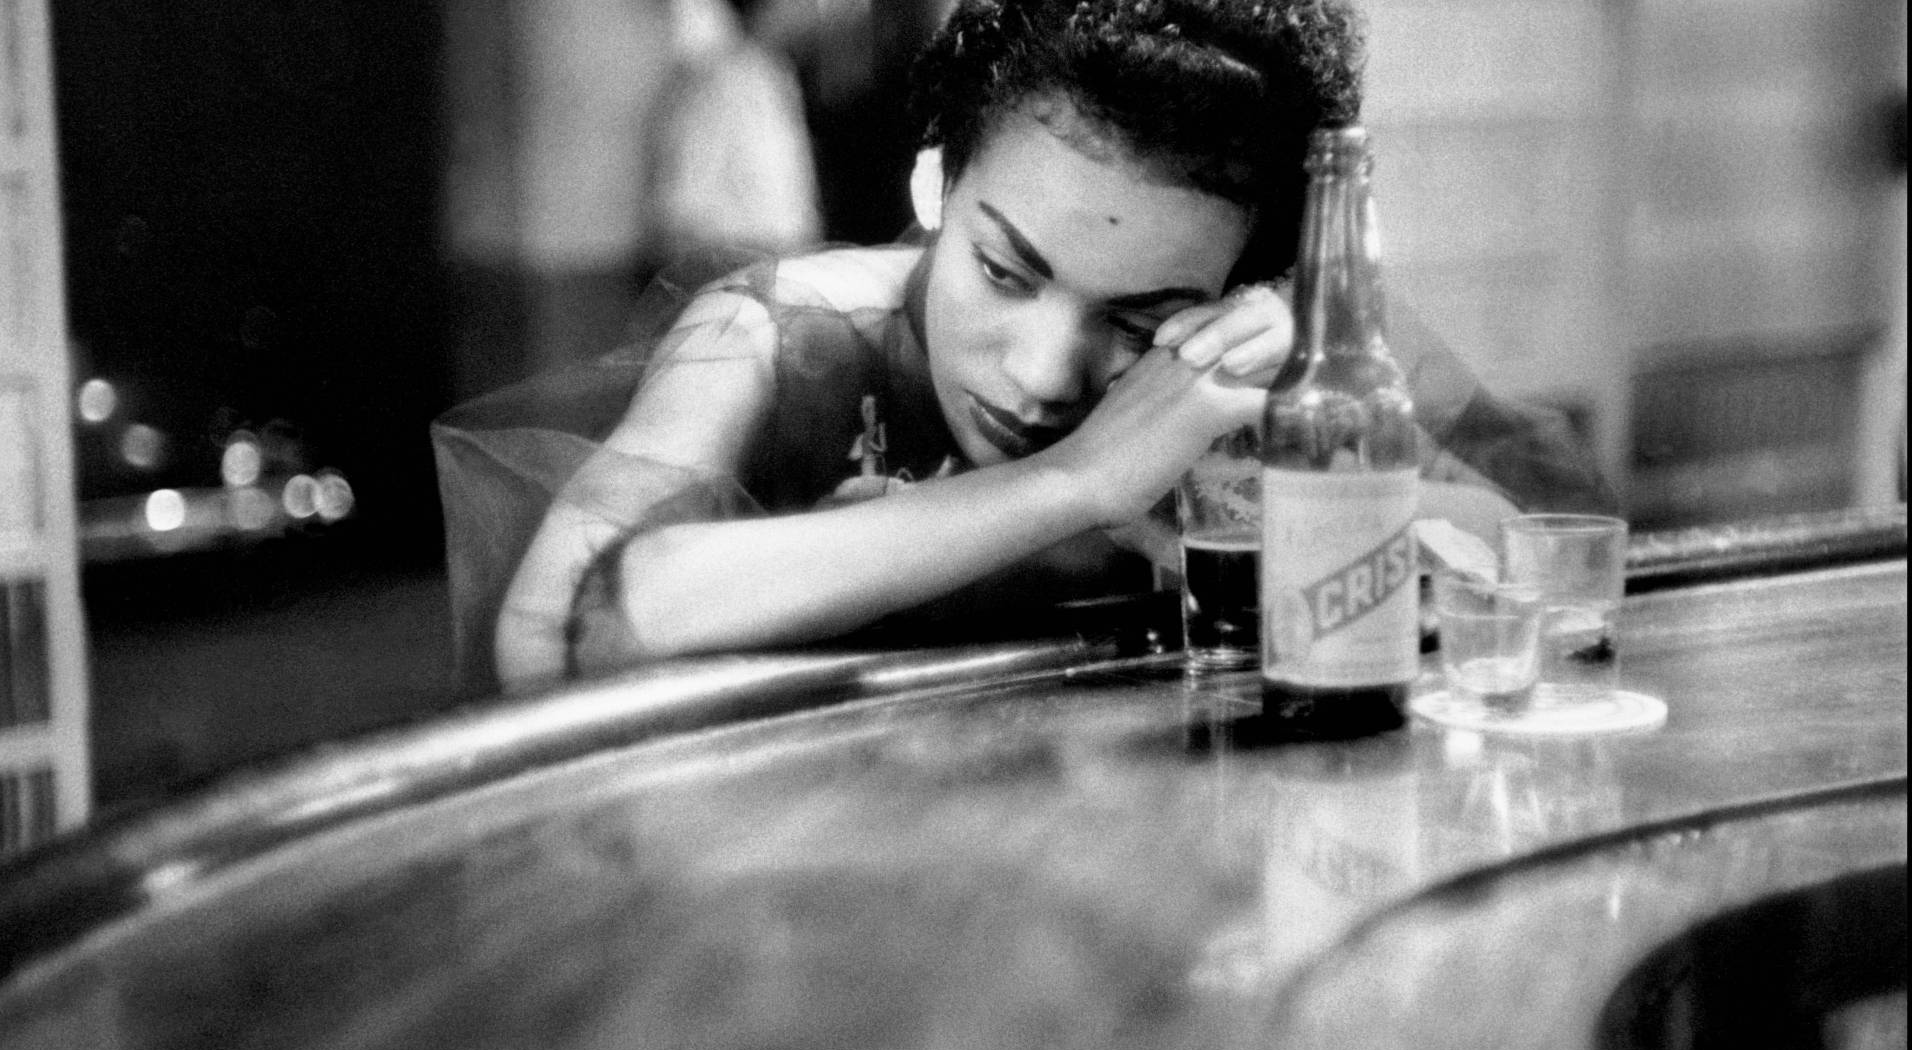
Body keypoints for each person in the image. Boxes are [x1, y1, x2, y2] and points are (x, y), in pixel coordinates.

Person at [434, 0, 1616, 695]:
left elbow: (1549, 572)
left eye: (1141, 320)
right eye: (1005, 272)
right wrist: (1076, 482)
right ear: (938, 186)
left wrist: (1319, 464)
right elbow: (562, 637)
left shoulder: (1230, 373)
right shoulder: (784, 334)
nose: (1046, 372)